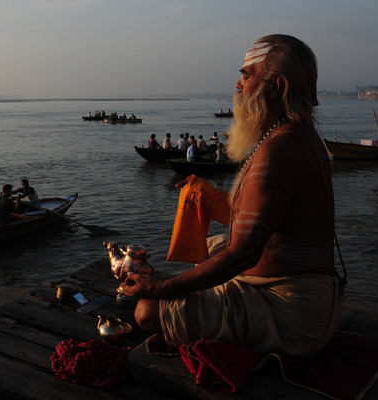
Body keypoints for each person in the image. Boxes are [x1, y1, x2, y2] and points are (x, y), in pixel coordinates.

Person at [122, 34, 342, 358]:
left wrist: (158, 289)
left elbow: (242, 255)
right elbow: (274, 216)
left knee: (146, 311)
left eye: (247, 74)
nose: (238, 84)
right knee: (212, 247)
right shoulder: (296, 135)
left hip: (288, 313)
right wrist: (216, 199)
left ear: (275, 86)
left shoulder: (281, 148)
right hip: (307, 297)